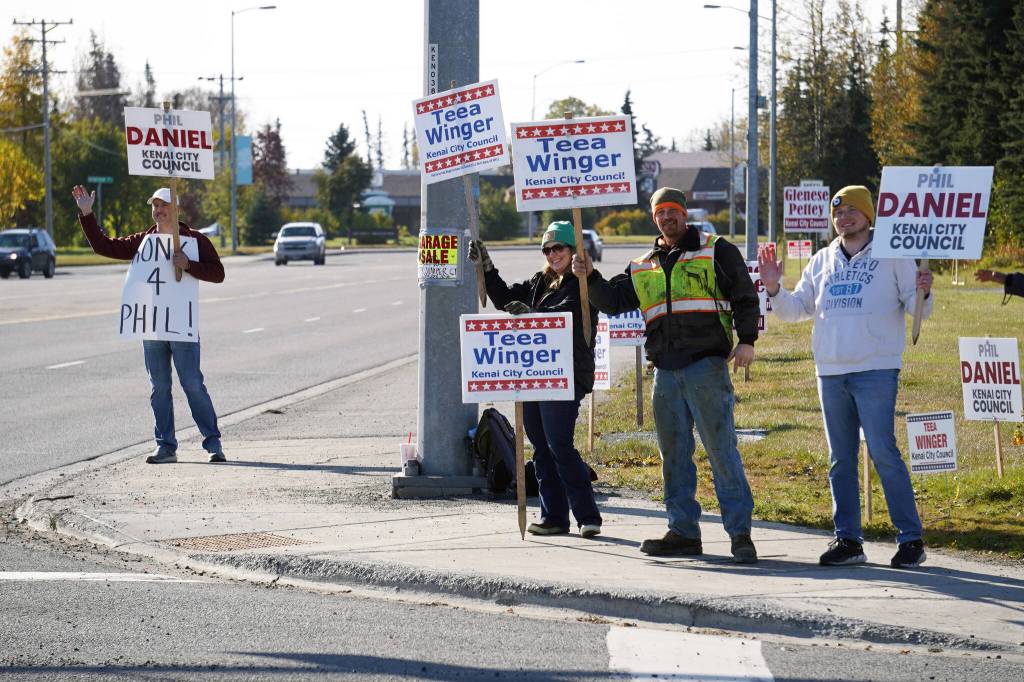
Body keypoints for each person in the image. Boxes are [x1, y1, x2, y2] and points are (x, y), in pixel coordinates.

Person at [571, 187, 760, 563]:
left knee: (722, 452)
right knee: (673, 456)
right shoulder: (643, 263)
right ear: (653, 217)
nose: (667, 218)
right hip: (665, 372)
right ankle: (683, 532)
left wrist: (747, 340)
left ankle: (740, 535)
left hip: (706, 366)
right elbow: (613, 300)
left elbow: (744, 294)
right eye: (661, 213)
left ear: (684, 214)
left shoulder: (716, 249)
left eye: (673, 211)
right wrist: (590, 277)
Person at [757, 185, 933, 569]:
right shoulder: (821, 260)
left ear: (869, 216)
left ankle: (911, 540)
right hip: (831, 371)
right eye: (838, 212)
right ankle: (849, 540)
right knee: (840, 459)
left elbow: (917, 309)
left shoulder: (894, 255)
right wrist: (773, 286)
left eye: (852, 210)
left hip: (876, 369)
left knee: (884, 452)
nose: (844, 217)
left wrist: (923, 291)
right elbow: (795, 310)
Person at [71, 185, 227, 465]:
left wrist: (189, 264)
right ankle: (166, 446)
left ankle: (213, 444)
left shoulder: (194, 240)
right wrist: (87, 214)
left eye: (163, 205)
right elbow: (105, 246)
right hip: (152, 326)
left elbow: (218, 273)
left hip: (182, 325)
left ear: (175, 209)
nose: (158, 210)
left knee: (192, 383)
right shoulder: (144, 240)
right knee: (159, 387)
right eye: (154, 206)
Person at [469, 221, 603, 538]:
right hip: (534, 376)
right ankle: (554, 517)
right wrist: (486, 268)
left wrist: (531, 315)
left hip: (566, 376)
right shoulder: (538, 282)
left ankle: (588, 516)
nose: (553, 254)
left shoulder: (583, 284)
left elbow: (568, 315)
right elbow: (504, 298)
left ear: (574, 251)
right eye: (547, 249)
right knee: (541, 449)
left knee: (560, 445)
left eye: (559, 248)